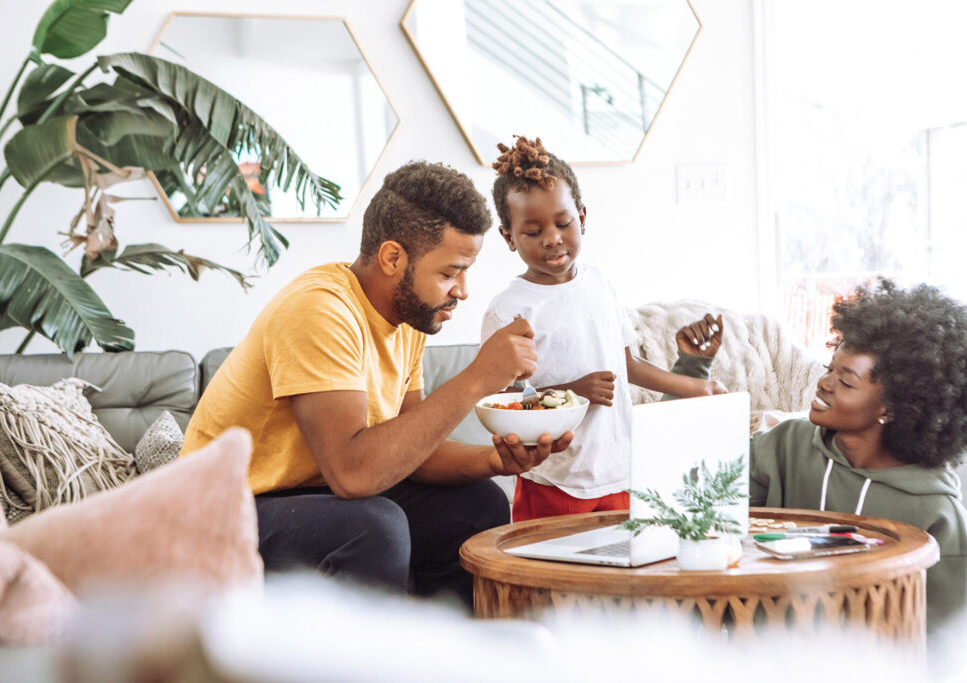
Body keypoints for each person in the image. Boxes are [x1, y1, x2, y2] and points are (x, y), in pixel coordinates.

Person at [180, 160, 573, 610]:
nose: (462, 290)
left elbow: (412, 452)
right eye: (450, 272)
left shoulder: (409, 317)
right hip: (218, 511)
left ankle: (443, 657)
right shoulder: (320, 311)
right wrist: (479, 376)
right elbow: (352, 473)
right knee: (373, 525)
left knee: (477, 504)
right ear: (392, 258)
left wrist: (496, 460)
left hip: (314, 494)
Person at [671, 279, 967, 634]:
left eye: (846, 382)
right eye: (829, 369)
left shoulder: (936, 510)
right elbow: (689, 490)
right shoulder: (786, 446)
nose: (824, 384)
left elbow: (941, 638)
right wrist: (690, 370)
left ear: (891, 407)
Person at [482, 135, 726, 522]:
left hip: (620, 473)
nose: (552, 239)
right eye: (532, 232)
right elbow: (502, 401)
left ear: (581, 217)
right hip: (555, 481)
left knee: (621, 574)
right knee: (552, 578)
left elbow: (625, 364)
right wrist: (571, 394)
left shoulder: (600, 284)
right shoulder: (509, 310)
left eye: (563, 223)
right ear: (508, 237)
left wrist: (698, 387)